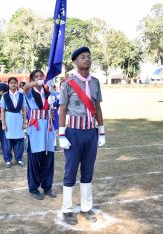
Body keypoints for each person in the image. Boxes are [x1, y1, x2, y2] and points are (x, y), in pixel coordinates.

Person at [59, 46, 106, 225]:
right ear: (75, 62)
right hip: (73, 133)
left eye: (88, 57)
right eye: (82, 57)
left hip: (91, 133)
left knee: (88, 171)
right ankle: (67, 209)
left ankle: (86, 207)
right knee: (70, 171)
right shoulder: (68, 83)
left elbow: (98, 108)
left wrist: (101, 131)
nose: (87, 59)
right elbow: (62, 108)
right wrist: (62, 135)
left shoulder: (95, 82)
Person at [23, 70, 57, 200]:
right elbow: (26, 86)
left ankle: (47, 186)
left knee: (48, 158)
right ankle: (34, 188)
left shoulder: (49, 93)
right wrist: (39, 82)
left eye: (41, 76)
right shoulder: (30, 93)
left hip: (48, 128)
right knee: (34, 159)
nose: (39, 79)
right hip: (36, 129)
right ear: (32, 79)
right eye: (36, 77)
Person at [1, 77, 27, 168]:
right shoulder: (5, 96)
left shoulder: (21, 95)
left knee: (19, 140)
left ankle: (19, 158)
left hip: (18, 119)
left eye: (15, 83)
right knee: (8, 140)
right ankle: (8, 159)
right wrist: (3, 123)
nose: (13, 84)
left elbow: (24, 109)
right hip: (9, 119)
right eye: (11, 83)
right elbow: (3, 110)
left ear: (17, 84)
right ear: (8, 84)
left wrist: (24, 122)